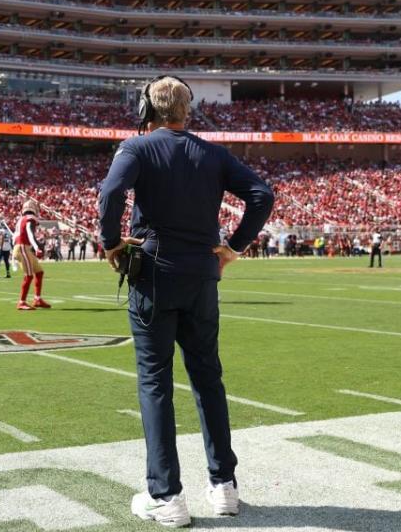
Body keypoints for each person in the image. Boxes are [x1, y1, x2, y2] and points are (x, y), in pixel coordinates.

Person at [98, 76, 274, 527]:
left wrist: (112, 243)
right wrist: (234, 246)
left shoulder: (136, 148)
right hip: (201, 275)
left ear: (147, 109)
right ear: (186, 110)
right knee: (208, 378)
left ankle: (167, 496)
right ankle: (224, 488)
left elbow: (110, 194)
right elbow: (261, 195)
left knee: (155, 383)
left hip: (154, 274)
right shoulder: (213, 153)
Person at [12, 200, 50, 311]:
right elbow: (29, 232)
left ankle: (37, 299)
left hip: (22, 247)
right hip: (23, 248)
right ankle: (21, 302)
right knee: (28, 275)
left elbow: (14, 238)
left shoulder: (20, 220)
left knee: (39, 272)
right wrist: (37, 247)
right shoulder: (30, 219)